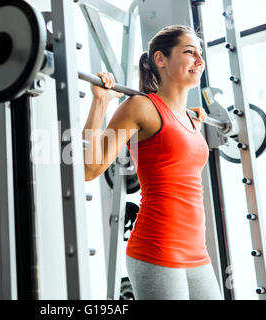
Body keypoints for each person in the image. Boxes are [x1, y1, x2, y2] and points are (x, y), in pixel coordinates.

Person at [82, 25, 222, 300]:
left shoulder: (192, 118)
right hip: (157, 248)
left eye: (201, 54)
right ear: (160, 59)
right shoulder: (141, 107)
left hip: (196, 252)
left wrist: (194, 116)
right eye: (189, 52)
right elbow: (91, 168)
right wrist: (100, 102)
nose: (199, 60)